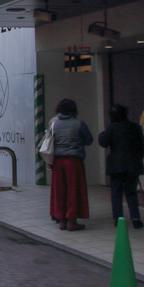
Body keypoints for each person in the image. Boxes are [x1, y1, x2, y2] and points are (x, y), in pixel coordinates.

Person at [49, 98, 93, 231]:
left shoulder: (53, 123)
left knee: (59, 191)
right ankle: (71, 221)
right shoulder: (79, 124)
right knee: (73, 190)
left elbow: (49, 140)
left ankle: (61, 220)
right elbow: (89, 140)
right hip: (74, 162)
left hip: (57, 161)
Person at [99, 104, 144, 229]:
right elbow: (142, 147)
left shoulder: (112, 127)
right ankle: (135, 218)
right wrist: (137, 159)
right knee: (131, 192)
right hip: (133, 164)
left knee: (116, 192)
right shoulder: (135, 127)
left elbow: (103, 142)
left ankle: (118, 219)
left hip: (116, 165)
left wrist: (103, 132)